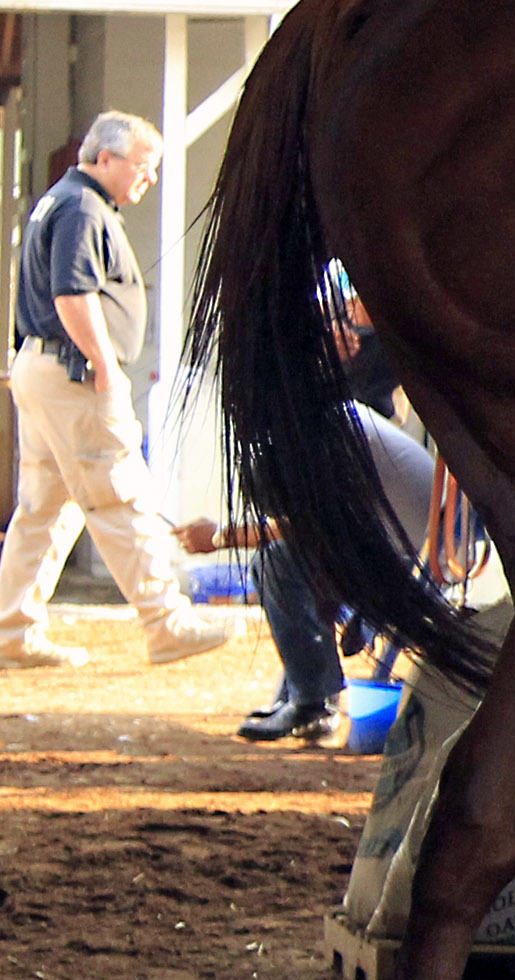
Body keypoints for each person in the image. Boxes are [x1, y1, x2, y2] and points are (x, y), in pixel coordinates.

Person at [0, 111, 236, 669]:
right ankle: (166, 622)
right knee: (120, 495)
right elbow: (73, 295)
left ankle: (12, 626)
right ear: (104, 158)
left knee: (45, 508)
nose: (148, 179)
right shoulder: (82, 207)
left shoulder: (63, 201)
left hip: (43, 368)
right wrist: (104, 366)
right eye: (143, 167)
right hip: (71, 372)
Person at [180, 269, 435, 742]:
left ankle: (313, 701)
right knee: (289, 560)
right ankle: (303, 691)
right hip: (397, 546)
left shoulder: (330, 428)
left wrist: (219, 537)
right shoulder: (332, 418)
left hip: (406, 559)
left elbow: (308, 526)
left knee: (279, 563)